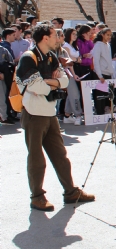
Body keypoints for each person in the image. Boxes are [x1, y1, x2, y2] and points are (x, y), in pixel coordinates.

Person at [16, 23, 95, 211]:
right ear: (45, 38)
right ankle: (37, 197)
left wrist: (50, 82)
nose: (58, 38)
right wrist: (53, 83)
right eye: (54, 35)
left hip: (49, 113)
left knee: (60, 155)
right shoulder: (29, 58)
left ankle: (71, 192)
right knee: (36, 159)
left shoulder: (51, 57)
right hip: (34, 113)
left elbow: (64, 80)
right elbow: (37, 87)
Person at [91, 28, 114, 115]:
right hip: (100, 73)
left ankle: (103, 112)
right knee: (99, 95)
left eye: (110, 35)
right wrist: (100, 75)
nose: (109, 37)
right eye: (107, 35)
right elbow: (96, 60)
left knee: (105, 95)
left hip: (108, 72)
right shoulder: (98, 45)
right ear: (102, 35)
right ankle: (99, 112)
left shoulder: (108, 45)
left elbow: (109, 59)